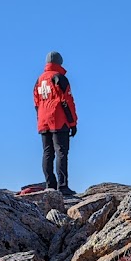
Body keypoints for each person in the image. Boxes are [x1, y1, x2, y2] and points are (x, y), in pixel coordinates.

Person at [33, 51, 78, 197]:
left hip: (43, 120)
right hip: (58, 119)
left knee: (47, 153)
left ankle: (49, 185)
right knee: (61, 152)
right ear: (59, 62)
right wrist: (72, 123)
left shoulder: (39, 80)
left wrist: (40, 119)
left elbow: (36, 102)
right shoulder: (59, 78)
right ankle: (63, 187)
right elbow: (67, 101)